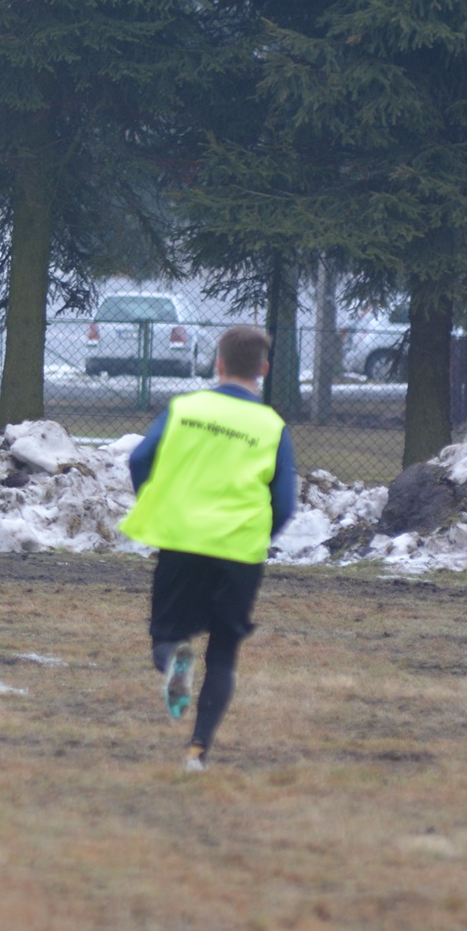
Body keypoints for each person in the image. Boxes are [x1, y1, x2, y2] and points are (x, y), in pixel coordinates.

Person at [119, 325, 297, 772]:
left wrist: (157, 499)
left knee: (166, 634)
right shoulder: (272, 426)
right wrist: (258, 532)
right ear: (264, 370)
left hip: (181, 540)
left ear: (217, 364)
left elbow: (140, 459)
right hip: (239, 549)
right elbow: (285, 502)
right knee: (223, 653)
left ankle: (175, 660)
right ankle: (198, 750)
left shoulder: (184, 409)